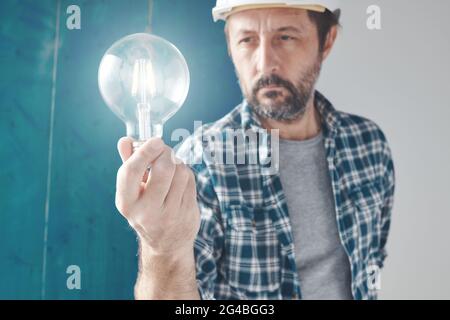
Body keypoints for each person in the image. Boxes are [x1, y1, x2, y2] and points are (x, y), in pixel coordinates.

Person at [115, 0, 395, 300]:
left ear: (326, 42)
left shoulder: (368, 147)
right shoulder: (201, 163)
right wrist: (162, 248)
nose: (264, 63)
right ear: (230, 46)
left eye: (285, 37)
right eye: (247, 40)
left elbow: (370, 269)